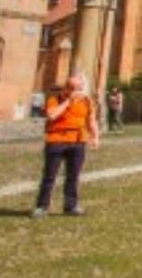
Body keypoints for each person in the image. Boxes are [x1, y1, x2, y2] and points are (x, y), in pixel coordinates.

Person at [34, 74, 99, 217]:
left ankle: (71, 205)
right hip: (56, 141)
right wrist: (68, 101)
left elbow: (91, 119)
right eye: (70, 88)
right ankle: (42, 206)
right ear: (65, 88)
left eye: (77, 88)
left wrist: (95, 136)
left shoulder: (87, 102)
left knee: (73, 176)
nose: (74, 91)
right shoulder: (54, 100)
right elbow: (52, 116)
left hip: (78, 141)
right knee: (49, 176)